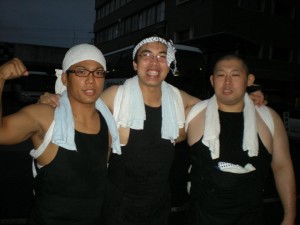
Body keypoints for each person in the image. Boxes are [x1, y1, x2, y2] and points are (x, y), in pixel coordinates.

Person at [38, 33, 266, 225]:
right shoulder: (115, 96)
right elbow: (81, 104)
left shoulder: (179, 100)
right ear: (135, 65)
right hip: (116, 208)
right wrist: (56, 98)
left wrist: (246, 96)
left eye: (161, 57)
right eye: (146, 56)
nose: (154, 63)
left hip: (158, 208)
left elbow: (218, 107)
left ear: (169, 64)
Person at [0, 43, 120, 225]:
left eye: (98, 72)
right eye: (81, 71)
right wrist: (0, 76)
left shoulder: (109, 123)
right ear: (64, 78)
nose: (91, 79)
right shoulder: (45, 116)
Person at [185, 54, 296, 225]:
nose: (227, 82)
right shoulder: (193, 115)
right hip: (200, 218)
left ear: (249, 80)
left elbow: (282, 167)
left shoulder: (269, 118)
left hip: (251, 218)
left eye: (235, 75)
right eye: (221, 75)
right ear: (212, 80)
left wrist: (289, 216)